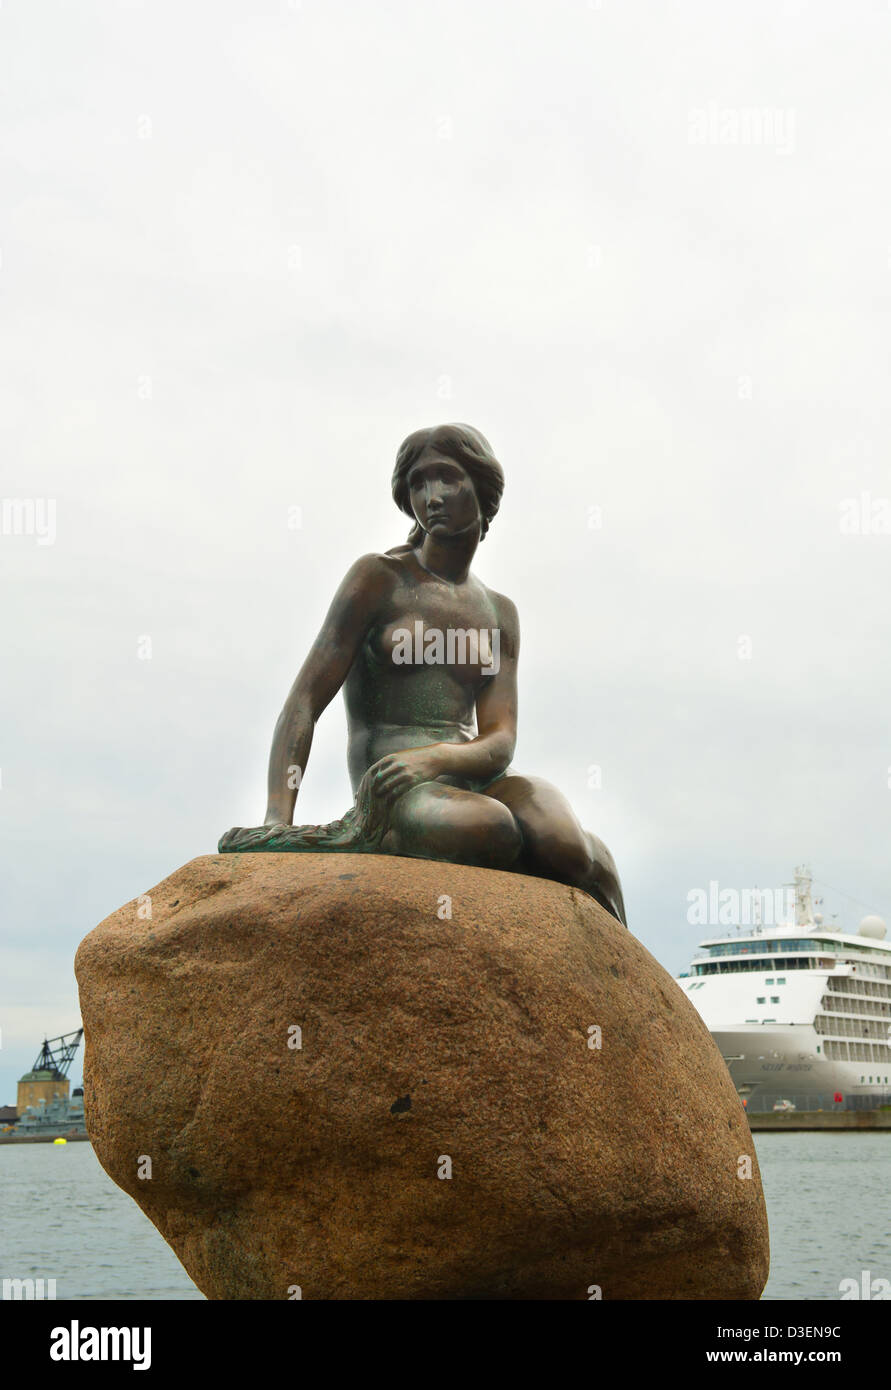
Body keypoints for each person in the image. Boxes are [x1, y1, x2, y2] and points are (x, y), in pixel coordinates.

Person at [220, 424, 626, 925]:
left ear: (483, 487)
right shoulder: (379, 579)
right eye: (417, 483)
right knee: (492, 829)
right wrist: (276, 820)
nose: (430, 497)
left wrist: (436, 757)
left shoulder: (499, 613)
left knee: (569, 847)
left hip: (475, 774)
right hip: (396, 785)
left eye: (447, 479)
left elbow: (500, 739)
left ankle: (574, 880)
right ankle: (384, 837)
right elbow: (303, 702)